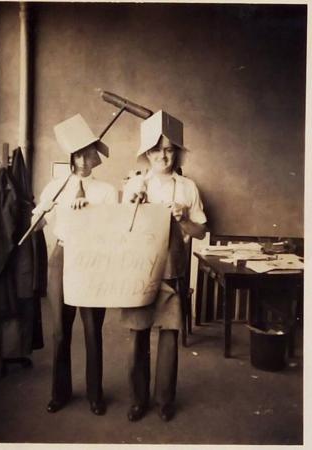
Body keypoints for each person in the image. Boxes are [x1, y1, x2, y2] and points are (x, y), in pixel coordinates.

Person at [121, 110, 207, 422]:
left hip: (172, 268)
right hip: (140, 270)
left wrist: (184, 217)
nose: (163, 155)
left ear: (178, 152)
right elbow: (121, 230)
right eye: (157, 149)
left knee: (169, 335)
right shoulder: (134, 184)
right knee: (137, 335)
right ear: (147, 153)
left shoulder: (188, 187)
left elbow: (201, 231)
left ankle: (165, 400)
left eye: (169, 149)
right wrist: (133, 204)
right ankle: (137, 399)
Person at [32, 114, 117, 415]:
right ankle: (60, 392)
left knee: (93, 328)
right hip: (63, 257)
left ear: (96, 156)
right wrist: (43, 211)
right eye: (77, 153)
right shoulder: (56, 186)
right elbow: (37, 223)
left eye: (88, 152)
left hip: (92, 259)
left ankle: (95, 393)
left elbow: (112, 230)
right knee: (60, 330)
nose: (83, 160)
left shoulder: (107, 192)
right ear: (71, 155)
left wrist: (91, 212)